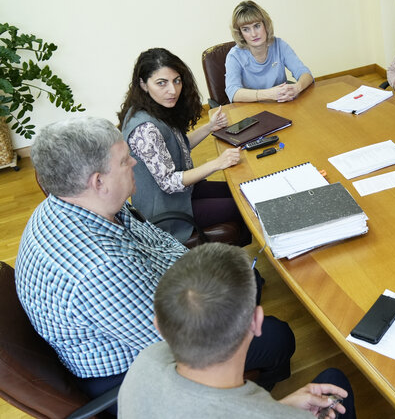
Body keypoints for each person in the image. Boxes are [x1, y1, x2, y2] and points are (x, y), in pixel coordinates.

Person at [16, 117, 293, 402]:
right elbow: (176, 343)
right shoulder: (101, 268)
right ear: (98, 181)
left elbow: (156, 243)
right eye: (125, 161)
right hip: (133, 370)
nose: (134, 163)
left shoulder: (83, 202)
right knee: (277, 336)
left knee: (250, 282)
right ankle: (249, 403)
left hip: (150, 299)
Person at [119, 243, 355, 418]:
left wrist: (278, 408)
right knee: (335, 381)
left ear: (157, 326)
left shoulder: (144, 364)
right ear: (256, 321)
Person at [118, 48, 250, 244]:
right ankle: (239, 268)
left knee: (243, 191)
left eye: (176, 81)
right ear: (143, 84)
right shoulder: (145, 128)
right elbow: (169, 182)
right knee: (242, 205)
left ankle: (240, 262)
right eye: (161, 83)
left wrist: (209, 127)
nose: (172, 90)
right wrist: (217, 163)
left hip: (183, 195)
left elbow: (178, 146)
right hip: (168, 211)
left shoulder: (154, 109)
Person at [226, 0, 313, 103]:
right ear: (240, 33)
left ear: (265, 25)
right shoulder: (234, 56)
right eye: (246, 29)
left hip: (281, 104)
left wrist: (297, 88)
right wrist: (269, 94)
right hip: (251, 109)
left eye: (257, 26)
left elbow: (305, 73)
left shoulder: (279, 45)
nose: (253, 34)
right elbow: (233, 92)